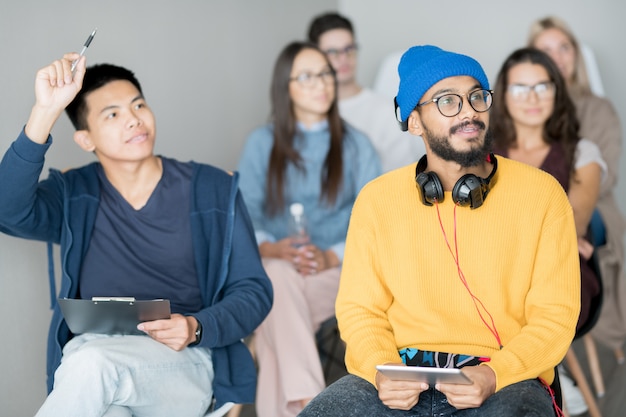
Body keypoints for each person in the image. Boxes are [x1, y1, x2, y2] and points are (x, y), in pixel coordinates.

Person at [300, 45, 581, 417]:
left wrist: (496, 374)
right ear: (414, 121)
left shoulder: (543, 195)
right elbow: (359, 311)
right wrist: (382, 371)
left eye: (477, 97)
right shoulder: (376, 200)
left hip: (499, 378)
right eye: (448, 101)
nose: (469, 111)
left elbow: (555, 316)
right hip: (398, 375)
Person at [0, 53, 273, 417]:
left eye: (138, 105)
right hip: (96, 358)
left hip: (186, 360)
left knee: (93, 365)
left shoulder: (211, 190)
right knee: (106, 401)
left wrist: (196, 327)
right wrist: (44, 111)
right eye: (112, 114)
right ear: (85, 139)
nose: (133, 120)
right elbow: (7, 210)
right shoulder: (75, 194)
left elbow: (254, 291)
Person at [236, 41, 381, 417]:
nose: (321, 84)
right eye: (307, 76)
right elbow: (244, 213)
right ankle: (312, 404)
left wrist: (331, 254)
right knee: (277, 276)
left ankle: (307, 404)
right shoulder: (262, 143)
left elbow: (376, 223)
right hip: (281, 270)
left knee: (272, 313)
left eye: (325, 74)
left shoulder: (357, 146)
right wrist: (272, 248)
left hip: (339, 273)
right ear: (286, 86)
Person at [490, 47, 606, 414]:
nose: (534, 97)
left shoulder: (582, 153)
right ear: (503, 96)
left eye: (543, 86)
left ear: (557, 91)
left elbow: (571, 225)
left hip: (563, 275)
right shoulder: (481, 153)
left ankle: (535, 384)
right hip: (491, 273)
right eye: (521, 88)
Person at [528, 16, 626, 360]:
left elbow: (605, 175)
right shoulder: (522, 111)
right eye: (546, 49)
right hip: (529, 215)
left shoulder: (598, 110)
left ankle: (545, 359)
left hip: (591, 208)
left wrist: (562, 222)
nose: (557, 56)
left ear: (575, 55)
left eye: (564, 47)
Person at [307, 11, 424, 172]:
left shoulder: (385, 111)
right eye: (333, 52)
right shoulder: (306, 111)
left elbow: (403, 176)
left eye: (349, 49)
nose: (343, 58)